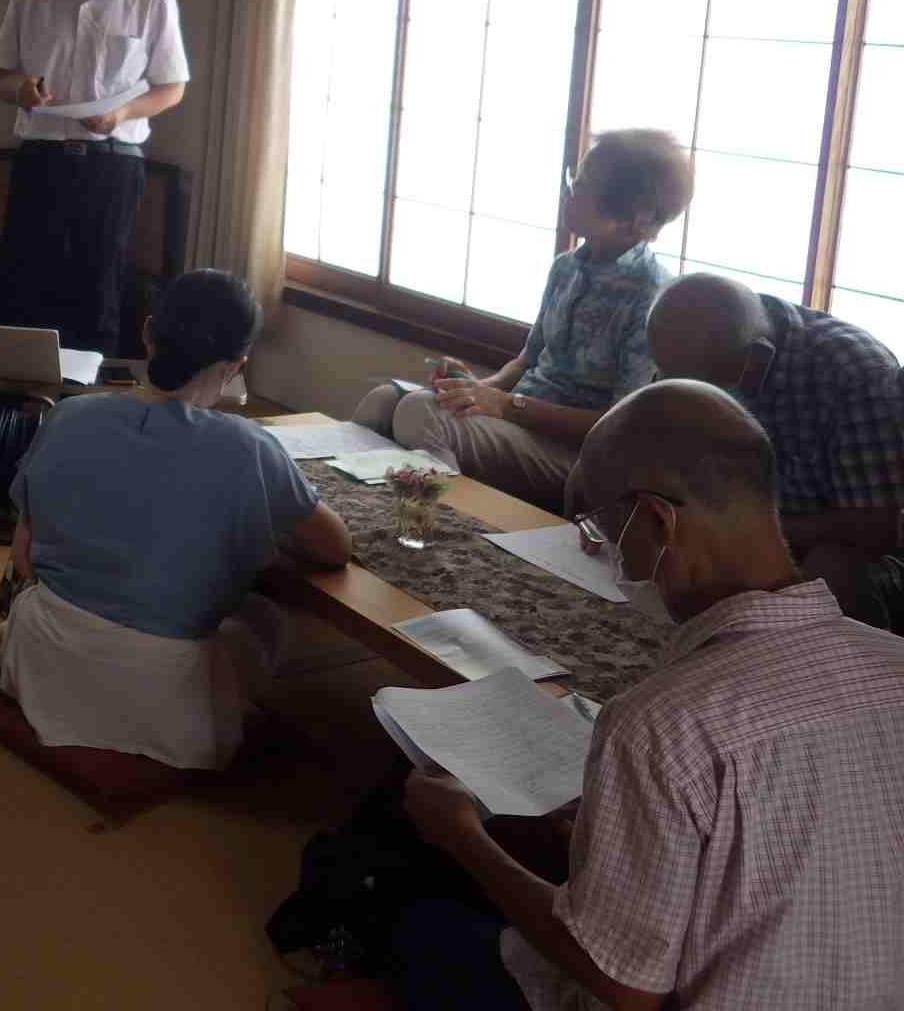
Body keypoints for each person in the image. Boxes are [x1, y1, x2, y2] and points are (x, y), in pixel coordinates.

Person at [392, 380, 904, 1010]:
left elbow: (623, 987)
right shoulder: (894, 662)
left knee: (424, 924)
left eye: (608, 534)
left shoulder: (662, 722)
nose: (614, 559)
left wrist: (462, 836)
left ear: (659, 521)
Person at [0, 269, 351, 769]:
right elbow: (335, 547)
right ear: (237, 365)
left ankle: (3, 644)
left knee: (41, 605)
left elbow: (23, 558)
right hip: (159, 698)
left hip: (43, 653)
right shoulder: (251, 450)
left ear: (149, 333)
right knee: (264, 620)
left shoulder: (68, 416)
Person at [353, 129, 694, 512]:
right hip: (517, 420)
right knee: (383, 401)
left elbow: (615, 424)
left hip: (571, 455)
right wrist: (473, 388)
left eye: (584, 186)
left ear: (636, 218)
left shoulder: (652, 297)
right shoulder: (566, 267)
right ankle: (357, 514)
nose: (569, 193)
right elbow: (527, 361)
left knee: (420, 413)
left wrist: (505, 404)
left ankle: (445, 528)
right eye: (574, 180)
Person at [0, 0, 189, 356]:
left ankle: (89, 396)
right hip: (41, 158)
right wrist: (21, 90)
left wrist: (123, 112)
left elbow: (172, 87)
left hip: (112, 164)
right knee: (24, 287)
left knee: (99, 289)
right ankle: (21, 396)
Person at [646, 272, 904, 629]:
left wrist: (749, 530)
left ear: (757, 359)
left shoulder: (851, 373)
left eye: (703, 385)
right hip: (754, 523)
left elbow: (874, 527)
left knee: (830, 575)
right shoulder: (700, 341)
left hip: (848, 547)